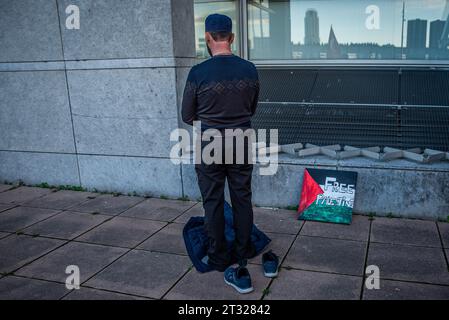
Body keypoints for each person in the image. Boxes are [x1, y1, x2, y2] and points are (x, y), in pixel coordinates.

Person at [181, 13, 260, 294]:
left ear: (207, 38)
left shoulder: (198, 73)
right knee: (242, 198)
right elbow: (251, 109)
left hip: (209, 144)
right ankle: (243, 251)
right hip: (241, 140)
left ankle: (218, 257)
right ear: (232, 37)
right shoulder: (249, 69)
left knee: (213, 202)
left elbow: (186, 115)